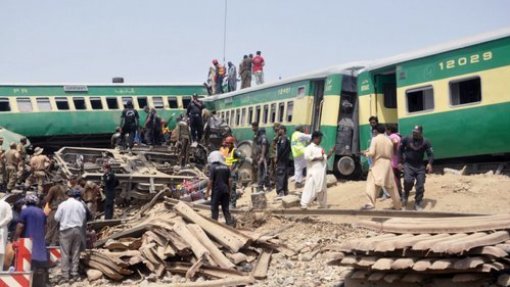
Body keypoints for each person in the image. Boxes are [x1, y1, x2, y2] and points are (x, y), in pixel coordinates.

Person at [362, 124, 402, 210]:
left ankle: (371, 203)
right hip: (388, 164)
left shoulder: (375, 139)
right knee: (392, 186)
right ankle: (398, 205)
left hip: (378, 164)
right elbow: (391, 153)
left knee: (372, 184)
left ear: (376, 131)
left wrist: (365, 153)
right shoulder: (388, 140)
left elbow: (372, 153)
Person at [14, 194, 48, 287]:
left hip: (27, 243)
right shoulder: (42, 212)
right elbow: (45, 228)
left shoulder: (24, 211)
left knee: (25, 266)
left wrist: (15, 239)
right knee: (39, 268)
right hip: (40, 244)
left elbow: (20, 226)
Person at [54, 189, 87, 283]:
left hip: (66, 230)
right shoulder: (80, 204)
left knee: (65, 252)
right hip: (78, 230)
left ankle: (65, 275)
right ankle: (74, 273)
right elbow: (84, 217)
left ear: (67, 196)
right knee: (76, 252)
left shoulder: (63, 205)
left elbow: (56, 218)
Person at [399, 125, 434, 211]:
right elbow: (399, 150)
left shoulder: (426, 141)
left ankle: (418, 203)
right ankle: (405, 194)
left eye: (416, 133)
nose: (414, 134)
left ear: (421, 133)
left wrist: (430, 163)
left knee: (420, 186)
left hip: (420, 166)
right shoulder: (406, 139)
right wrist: (400, 162)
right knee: (408, 181)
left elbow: (431, 154)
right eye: (413, 132)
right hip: (408, 164)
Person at [300, 131, 332, 209]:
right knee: (310, 188)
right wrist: (318, 158)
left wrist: (331, 152)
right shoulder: (309, 148)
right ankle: (304, 204)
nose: (320, 140)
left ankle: (323, 205)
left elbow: (325, 158)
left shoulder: (320, 148)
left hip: (321, 173)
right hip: (313, 173)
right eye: (320, 138)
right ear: (315, 138)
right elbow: (307, 158)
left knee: (322, 189)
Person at [205, 151, 234, 226]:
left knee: (214, 208)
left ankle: (214, 225)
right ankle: (230, 225)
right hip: (225, 190)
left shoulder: (213, 167)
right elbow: (230, 180)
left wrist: (207, 192)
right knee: (226, 209)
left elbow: (210, 181)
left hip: (217, 191)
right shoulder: (226, 167)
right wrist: (229, 191)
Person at [219, 136, 244, 208]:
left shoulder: (235, 151)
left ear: (232, 144)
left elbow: (242, 158)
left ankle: (232, 204)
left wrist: (236, 167)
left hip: (232, 173)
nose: (227, 145)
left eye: (228, 143)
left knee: (232, 188)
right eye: (226, 143)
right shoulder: (226, 150)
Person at [44, 177, 68, 245]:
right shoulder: (64, 188)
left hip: (54, 210)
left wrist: (43, 197)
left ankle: (47, 242)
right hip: (63, 211)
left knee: (51, 227)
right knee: (58, 229)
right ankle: (56, 243)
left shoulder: (53, 188)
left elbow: (47, 199)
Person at [252, 122, 269, 192]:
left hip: (263, 157)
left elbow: (264, 146)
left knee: (263, 171)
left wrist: (262, 157)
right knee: (260, 170)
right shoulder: (258, 136)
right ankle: (260, 185)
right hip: (259, 156)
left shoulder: (263, 137)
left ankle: (262, 185)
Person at [386, 124, 402, 197]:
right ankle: (400, 192)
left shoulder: (392, 136)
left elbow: (395, 142)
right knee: (397, 177)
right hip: (398, 159)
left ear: (390, 130)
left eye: (387, 130)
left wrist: (394, 150)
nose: (386, 131)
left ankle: (398, 194)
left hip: (393, 161)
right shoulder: (398, 136)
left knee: (395, 178)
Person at [275, 125, 291, 197]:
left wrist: (277, 158)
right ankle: (285, 191)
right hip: (285, 159)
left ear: (283, 130)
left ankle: (280, 191)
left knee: (280, 175)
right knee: (284, 175)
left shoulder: (283, 139)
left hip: (282, 160)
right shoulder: (286, 138)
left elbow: (281, 149)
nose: (278, 131)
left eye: (279, 130)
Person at [0, 199, 12, 271]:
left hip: (2, 231)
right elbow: (9, 217)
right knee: (1, 252)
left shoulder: (5, 204)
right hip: (2, 230)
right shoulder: (6, 204)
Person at [268, 123, 281, 189]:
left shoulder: (279, 135)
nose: (274, 128)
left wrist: (276, 155)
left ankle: (276, 182)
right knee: (271, 169)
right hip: (272, 154)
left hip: (275, 154)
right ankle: (272, 182)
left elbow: (277, 146)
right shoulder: (276, 134)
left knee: (275, 169)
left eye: (275, 127)